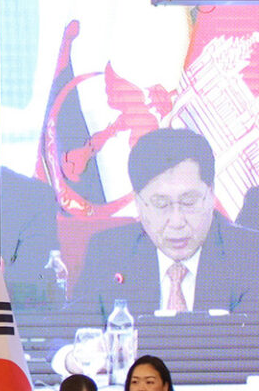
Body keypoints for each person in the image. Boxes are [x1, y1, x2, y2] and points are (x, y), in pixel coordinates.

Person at [73, 128, 259, 321]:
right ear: (138, 203)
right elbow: (73, 331)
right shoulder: (108, 252)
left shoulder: (251, 255)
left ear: (211, 195)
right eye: (161, 204)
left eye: (189, 202)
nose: (177, 222)